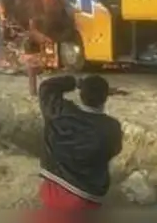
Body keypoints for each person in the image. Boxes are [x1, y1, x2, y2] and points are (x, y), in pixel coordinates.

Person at [37, 73, 123, 212]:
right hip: (86, 198)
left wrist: (74, 81)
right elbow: (114, 150)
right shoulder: (111, 127)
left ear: (81, 94)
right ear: (105, 98)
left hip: (53, 189)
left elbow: (47, 87)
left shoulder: (59, 111)